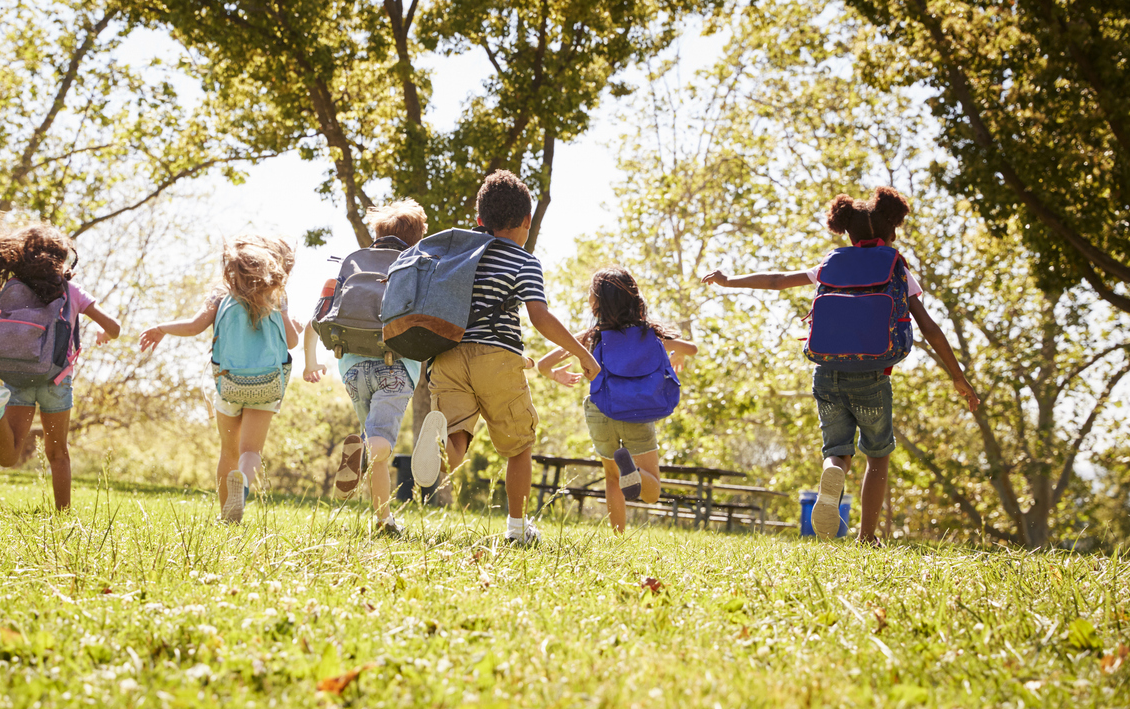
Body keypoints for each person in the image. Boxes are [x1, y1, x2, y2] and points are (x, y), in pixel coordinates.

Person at [702, 186, 979, 542]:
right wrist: (958, 377)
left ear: (846, 231)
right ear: (890, 230)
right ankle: (867, 536)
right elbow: (929, 327)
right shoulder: (895, 267)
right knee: (877, 455)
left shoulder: (829, 264)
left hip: (826, 373)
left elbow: (776, 281)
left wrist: (729, 281)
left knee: (838, 450)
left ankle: (833, 472)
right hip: (872, 376)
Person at [411, 170, 601, 546]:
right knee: (519, 445)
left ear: (479, 220)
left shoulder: (455, 256)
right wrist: (582, 354)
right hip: (496, 358)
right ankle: (517, 528)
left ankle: (437, 445)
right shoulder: (524, 261)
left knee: (459, 437)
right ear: (527, 221)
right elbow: (540, 317)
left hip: (447, 355)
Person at [139, 234, 300, 523]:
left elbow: (194, 326)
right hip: (267, 385)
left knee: (229, 450)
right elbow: (290, 342)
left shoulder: (220, 294)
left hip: (229, 383)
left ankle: (226, 517)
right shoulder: (277, 296)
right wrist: (293, 323)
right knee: (250, 451)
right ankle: (245, 484)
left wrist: (161, 328)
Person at [0, 225, 121, 510]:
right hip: (56, 381)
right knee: (58, 453)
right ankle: (62, 514)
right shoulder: (70, 291)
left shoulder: (11, 287)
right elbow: (115, 327)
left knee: (8, 457)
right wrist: (105, 333)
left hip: (17, 376)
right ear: (62, 258)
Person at [537, 267, 697, 533]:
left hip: (601, 411)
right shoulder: (652, 334)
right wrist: (677, 354)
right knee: (651, 492)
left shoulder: (591, 336)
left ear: (596, 302)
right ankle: (632, 467)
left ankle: (617, 537)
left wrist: (556, 375)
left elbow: (543, 364)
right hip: (638, 410)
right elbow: (691, 348)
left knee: (612, 477)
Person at [302, 199, 428, 536]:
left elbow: (318, 317)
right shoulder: (417, 264)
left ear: (377, 233)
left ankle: (384, 521)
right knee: (380, 445)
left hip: (353, 369)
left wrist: (310, 361)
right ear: (417, 236)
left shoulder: (353, 263)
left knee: (377, 446)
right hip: (396, 368)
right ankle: (363, 451)